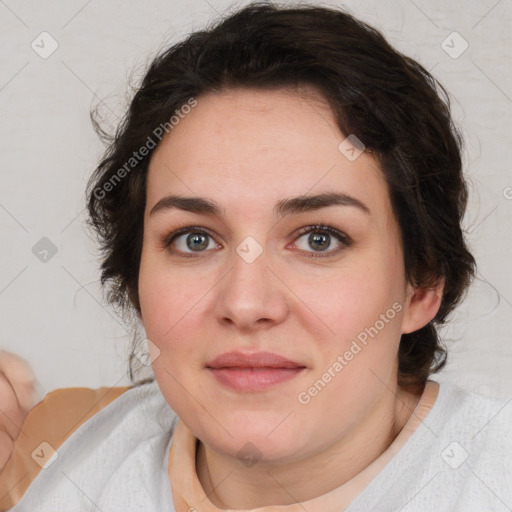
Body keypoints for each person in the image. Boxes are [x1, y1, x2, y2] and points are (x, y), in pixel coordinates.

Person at [1, 2, 511, 511]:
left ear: (421, 284)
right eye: (194, 239)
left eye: (319, 239)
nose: (246, 304)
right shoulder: (44, 451)